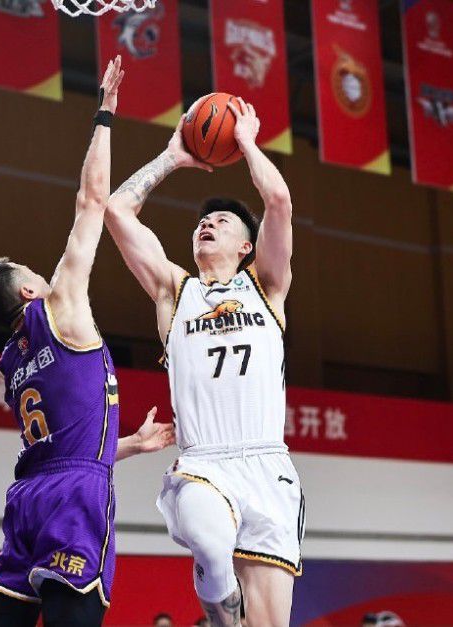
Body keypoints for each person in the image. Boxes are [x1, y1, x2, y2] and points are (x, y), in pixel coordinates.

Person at [0, 58, 174, 627]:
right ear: (31, 288)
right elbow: (92, 201)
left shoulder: (10, 359)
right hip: (74, 496)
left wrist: (128, 442)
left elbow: (66, 440)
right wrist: (104, 112)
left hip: (26, 496)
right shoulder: (58, 305)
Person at [105, 97, 301, 627]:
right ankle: (220, 612)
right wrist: (172, 157)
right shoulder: (175, 290)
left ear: (246, 246)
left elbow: (278, 200)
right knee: (213, 551)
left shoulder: (268, 287)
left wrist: (247, 143)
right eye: (202, 221)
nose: (206, 224)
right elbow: (116, 210)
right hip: (203, 462)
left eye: (221, 221)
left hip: (266, 466)